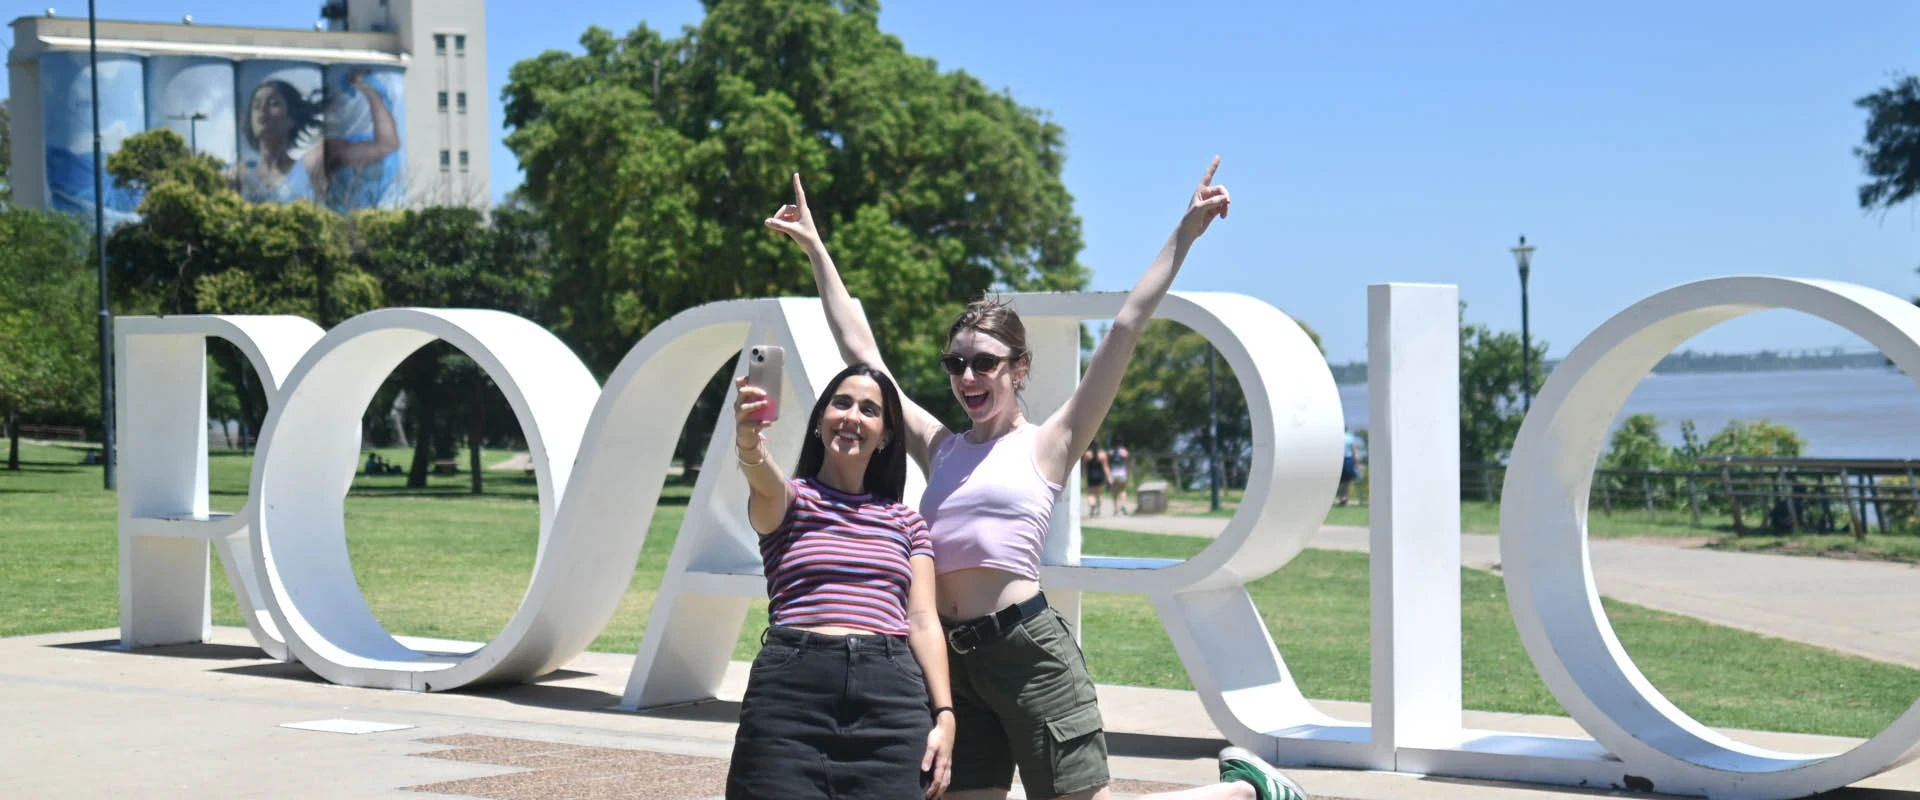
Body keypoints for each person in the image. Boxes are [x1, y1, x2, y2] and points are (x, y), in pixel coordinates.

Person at [767, 160, 1308, 800]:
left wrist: (1185, 233)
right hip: (954, 667)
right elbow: (862, 352)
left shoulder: (1050, 444)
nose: (968, 377)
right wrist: (816, 249)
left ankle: (1245, 790)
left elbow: (1128, 324)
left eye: (985, 364)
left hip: (1029, 654)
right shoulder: (939, 446)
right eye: (957, 363)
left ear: (1018, 367)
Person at [724, 363, 957, 799]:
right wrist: (749, 440)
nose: (852, 416)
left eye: (870, 409)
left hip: (890, 703)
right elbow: (764, 479)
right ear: (820, 421)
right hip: (790, 701)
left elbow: (924, 620)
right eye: (842, 402)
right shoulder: (790, 500)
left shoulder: (906, 522)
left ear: (886, 435)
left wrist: (945, 714)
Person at [233, 69, 398, 204]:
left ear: (291, 118)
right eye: (256, 105)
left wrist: (369, 91)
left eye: (273, 103)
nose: (262, 110)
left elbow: (386, 145)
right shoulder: (240, 174)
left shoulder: (312, 162)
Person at [1337, 430, 1361, 506]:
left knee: (1340, 481)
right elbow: (1355, 452)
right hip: (1348, 460)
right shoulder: (1350, 437)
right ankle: (1345, 497)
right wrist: (1357, 464)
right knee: (1347, 481)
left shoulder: (1337, 437)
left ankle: (1342, 497)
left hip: (1338, 459)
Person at [1106, 444, 1132, 516]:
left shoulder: (1110, 452)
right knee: (1123, 490)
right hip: (1122, 473)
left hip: (1113, 473)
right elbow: (1128, 462)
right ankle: (1123, 505)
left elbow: (1107, 463)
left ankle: (1115, 509)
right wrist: (1128, 471)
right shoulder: (1124, 451)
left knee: (1115, 491)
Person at [1083, 447, 1108, 517]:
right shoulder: (1102, 454)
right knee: (1099, 494)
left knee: (1090, 493)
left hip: (1091, 475)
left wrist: (1084, 474)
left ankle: (1092, 505)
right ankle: (1098, 509)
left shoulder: (1087, 454)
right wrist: (1107, 476)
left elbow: (1084, 465)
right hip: (1100, 475)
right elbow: (1105, 466)